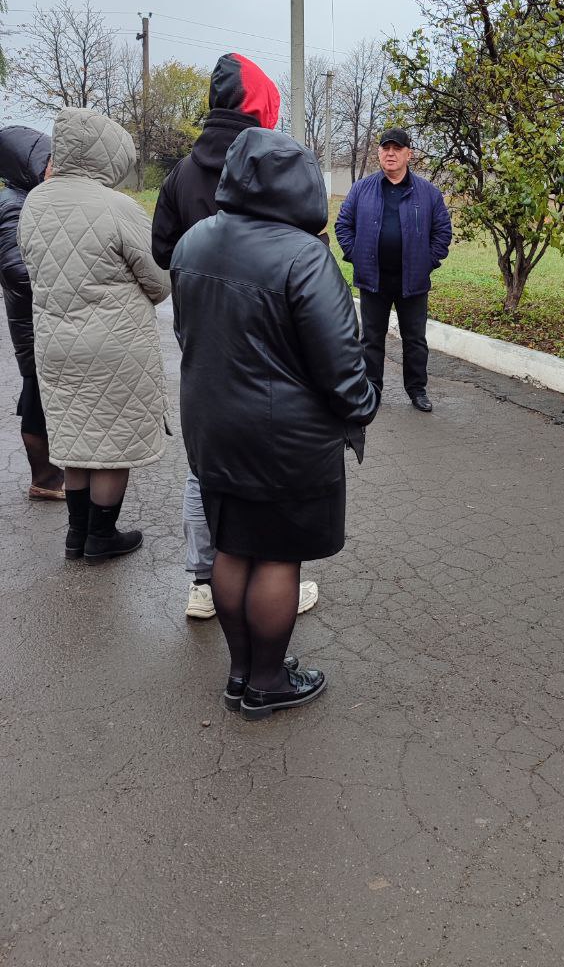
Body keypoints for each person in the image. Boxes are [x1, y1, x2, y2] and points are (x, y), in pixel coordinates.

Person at [171, 127, 379, 720]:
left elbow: (187, 332)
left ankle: (241, 673)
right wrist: (362, 406)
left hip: (213, 427)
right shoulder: (304, 256)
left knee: (233, 548)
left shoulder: (194, 240)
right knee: (278, 557)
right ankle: (267, 682)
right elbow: (341, 364)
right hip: (285, 440)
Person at [152, 51, 319, 620]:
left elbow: (161, 250)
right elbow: (303, 251)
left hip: (202, 334)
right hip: (273, 338)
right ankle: (274, 575)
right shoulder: (274, 165)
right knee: (272, 459)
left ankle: (205, 580)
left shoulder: (182, 171)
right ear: (261, 105)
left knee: (206, 463)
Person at [18, 109, 170, 562]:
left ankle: (75, 535)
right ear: (108, 153)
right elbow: (160, 281)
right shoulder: (118, 207)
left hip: (54, 343)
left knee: (76, 438)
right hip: (113, 345)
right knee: (112, 442)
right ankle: (102, 536)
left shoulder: (35, 203)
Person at [335, 128, 452, 413]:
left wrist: (426, 262)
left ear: (408, 154)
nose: (390, 154)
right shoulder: (362, 189)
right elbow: (343, 225)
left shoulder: (428, 193)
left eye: (397, 149)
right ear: (378, 153)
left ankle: (417, 390)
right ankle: (371, 389)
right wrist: (356, 256)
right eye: (385, 148)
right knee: (371, 340)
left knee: (415, 340)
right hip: (373, 279)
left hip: (412, 281)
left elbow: (442, 232)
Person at [0, 126, 64, 501]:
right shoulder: (15, 205)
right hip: (33, 321)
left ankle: (52, 474)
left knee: (40, 393)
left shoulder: (31, 198)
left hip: (41, 318)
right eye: (48, 162)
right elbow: (15, 271)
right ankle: (45, 479)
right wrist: (65, 276)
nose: (54, 168)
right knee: (37, 396)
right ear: (26, 166)